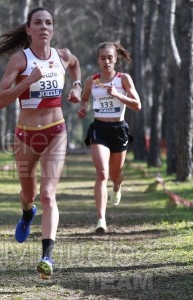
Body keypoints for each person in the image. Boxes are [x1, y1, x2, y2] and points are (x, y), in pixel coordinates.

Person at [0, 7, 82, 279]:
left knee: (48, 194)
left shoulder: (62, 56)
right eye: (38, 23)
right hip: (25, 135)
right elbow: (0, 100)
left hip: (56, 132)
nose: (44, 27)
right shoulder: (19, 61)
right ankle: (26, 213)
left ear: (53, 29)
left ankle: (47, 256)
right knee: (28, 195)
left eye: (48, 23)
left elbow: (76, 65)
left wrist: (77, 86)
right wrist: (28, 82)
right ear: (28, 29)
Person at [77, 42, 141, 233]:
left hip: (119, 129)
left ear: (116, 59)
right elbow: (84, 98)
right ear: (98, 60)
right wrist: (83, 108)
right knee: (102, 174)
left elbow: (137, 105)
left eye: (110, 57)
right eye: (103, 58)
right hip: (99, 129)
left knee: (116, 175)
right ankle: (101, 220)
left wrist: (118, 96)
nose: (106, 61)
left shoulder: (123, 79)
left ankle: (117, 187)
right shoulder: (92, 81)